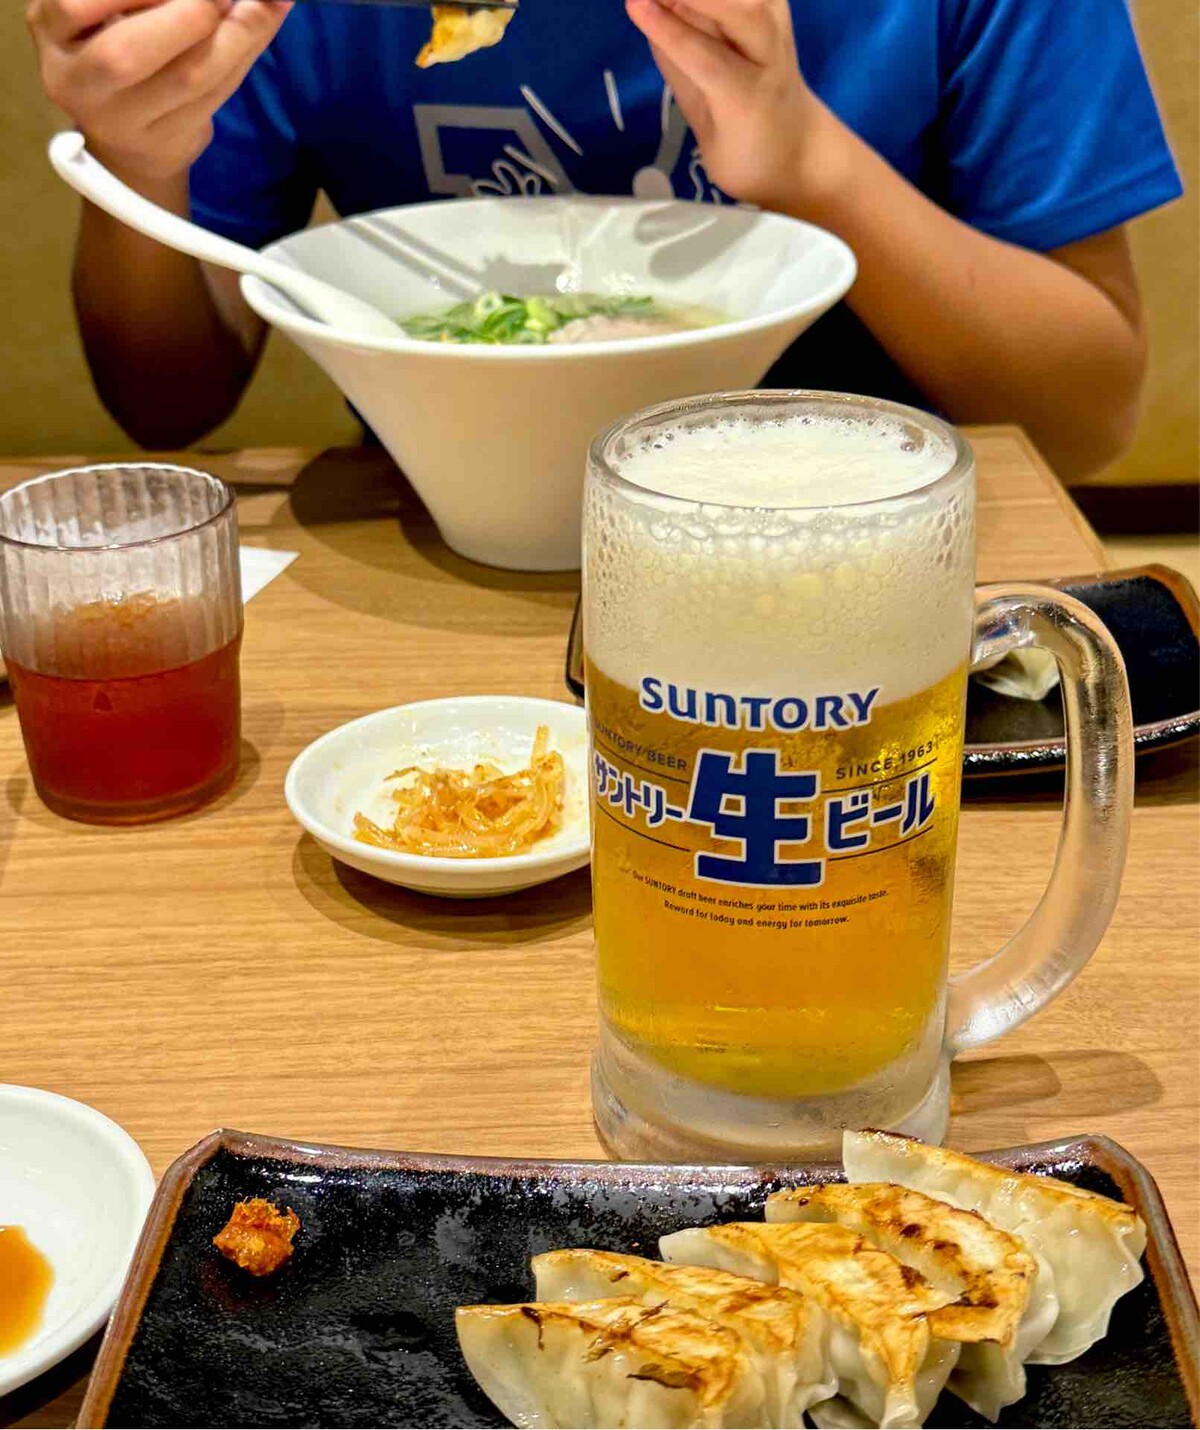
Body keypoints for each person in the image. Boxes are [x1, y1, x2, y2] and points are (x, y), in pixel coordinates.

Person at [29, 0, 1181, 479]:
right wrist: (137, 152)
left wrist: (809, 162)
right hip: (439, 544)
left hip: (871, 552)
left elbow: (1084, 417)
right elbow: (168, 400)